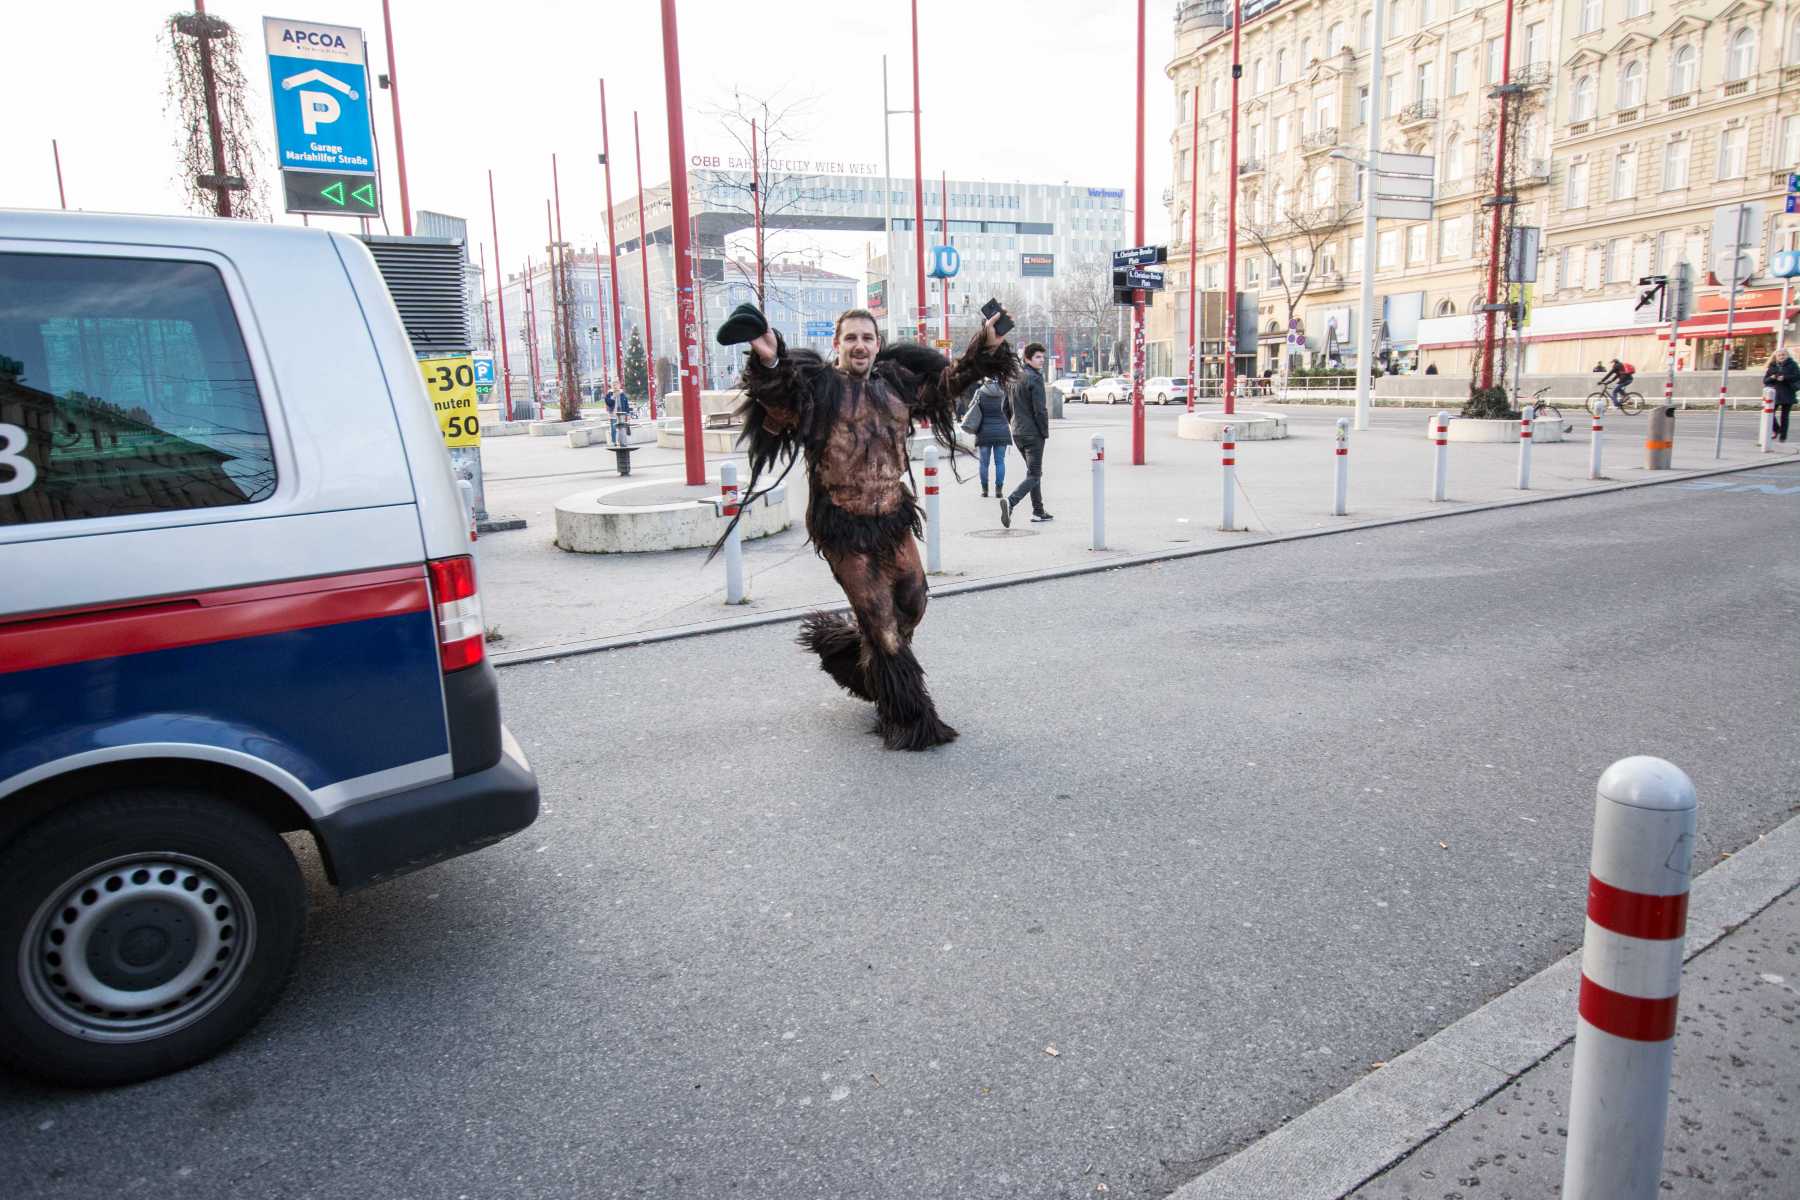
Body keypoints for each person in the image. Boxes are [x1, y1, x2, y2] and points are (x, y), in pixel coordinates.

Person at [730, 307, 1015, 750]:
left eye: (867, 338)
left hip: (892, 517)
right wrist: (769, 360)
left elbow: (948, 383)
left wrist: (986, 346)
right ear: (837, 345)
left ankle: (858, 659)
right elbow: (780, 400)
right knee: (883, 625)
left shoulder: (896, 384)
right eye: (851, 338)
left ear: (878, 345)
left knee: (913, 603)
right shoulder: (817, 389)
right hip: (844, 527)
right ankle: (908, 719)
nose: (859, 345)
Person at [1001, 342, 1052, 526]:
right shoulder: (1035, 378)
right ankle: (1011, 501)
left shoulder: (1012, 377)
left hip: (1018, 433)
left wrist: (1014, 424)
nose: (1042, 360)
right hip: (1033, 434)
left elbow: (1005, 407)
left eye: (1043, 357)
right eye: (1038, 357)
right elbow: (1040, 410)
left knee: (1033, 473)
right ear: (1027, 359)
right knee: (1035, 474)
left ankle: (1038, 511)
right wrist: (1044, 431)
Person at [968, 377, 1012, 498]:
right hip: (1002, 431)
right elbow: (1010, 409)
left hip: (984, 432)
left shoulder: (979, 392)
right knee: (1000, 462)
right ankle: (999, 490)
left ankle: (985, 490)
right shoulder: (1004, 392)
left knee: (984, 463)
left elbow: (971, 407)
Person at [1764, 348, 1798, 443]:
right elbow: (1765, 380)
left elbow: (1797, 376)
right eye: (1779, 355)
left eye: (1783, 355)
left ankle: (1783, 436)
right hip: (1775, 394)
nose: (1781, 357)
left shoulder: (1793, 365)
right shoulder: (1772, 366)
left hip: (1788, 393)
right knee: (1770, 414)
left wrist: (1785, 378)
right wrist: (1772, 377)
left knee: (1785, 416)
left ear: (1787, 355)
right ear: (1776, 357)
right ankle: (1777, 429)